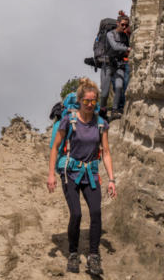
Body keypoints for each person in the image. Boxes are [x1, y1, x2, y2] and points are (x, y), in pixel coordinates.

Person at [47, 78, 116, 275]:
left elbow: (107, 152)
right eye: (86, 101)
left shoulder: (101, 124)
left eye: (93, 101)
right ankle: (73, 253)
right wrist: (51, 175)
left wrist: (112, 179)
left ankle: (93, 256)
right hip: (70, 173)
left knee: (96, 213)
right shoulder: (69, 120)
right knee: (76, 214)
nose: (90, 105)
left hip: (91, 173)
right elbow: (55, 148)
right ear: (79, 101)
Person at [101, 11, 131, 120]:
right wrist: (127, 49)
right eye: (122, 24)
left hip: (119, 65)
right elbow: (114, 46)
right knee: (104, 92)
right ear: (117, 23)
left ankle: (114, 110)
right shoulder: (110, 34)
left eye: (126, 25)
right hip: (107, 65)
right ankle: (102, 111)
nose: (124, 27)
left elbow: (125, 49)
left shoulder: (125, 37)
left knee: (119, 87)